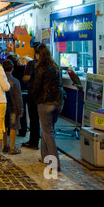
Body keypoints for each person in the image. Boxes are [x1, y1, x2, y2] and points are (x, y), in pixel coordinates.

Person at [31, 44, 65, 172]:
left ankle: (55, 163)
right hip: (58, 102)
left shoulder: (40, 67)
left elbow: (37, 86)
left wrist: (33, 97)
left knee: (47, 132)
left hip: (45, 102)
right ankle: (45, 157)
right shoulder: (55, 66)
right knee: (48, 129)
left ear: (39, 54)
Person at [2, 60, 24, 155]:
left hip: (3, 106)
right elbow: (18, 97)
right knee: (13, 126)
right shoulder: (15, 81)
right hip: (13, 108)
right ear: (12, 69)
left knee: (4, 126)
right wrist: (21, 109)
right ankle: (12, 147)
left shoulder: (1, 80)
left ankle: (4, 145)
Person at [22, 42, 41, 149]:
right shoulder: (51, 64)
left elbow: (26, 78)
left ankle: (33, 142)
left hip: (33, 94)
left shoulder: (32, 64)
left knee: (34, 119)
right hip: (47, 96)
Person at [6, 54, 28, 137]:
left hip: (10, 92)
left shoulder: (9, 71)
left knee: (10, 111)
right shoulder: (23, 68)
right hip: (24, 91)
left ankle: (10, 129)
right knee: (22, 112)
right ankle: (23, 131)